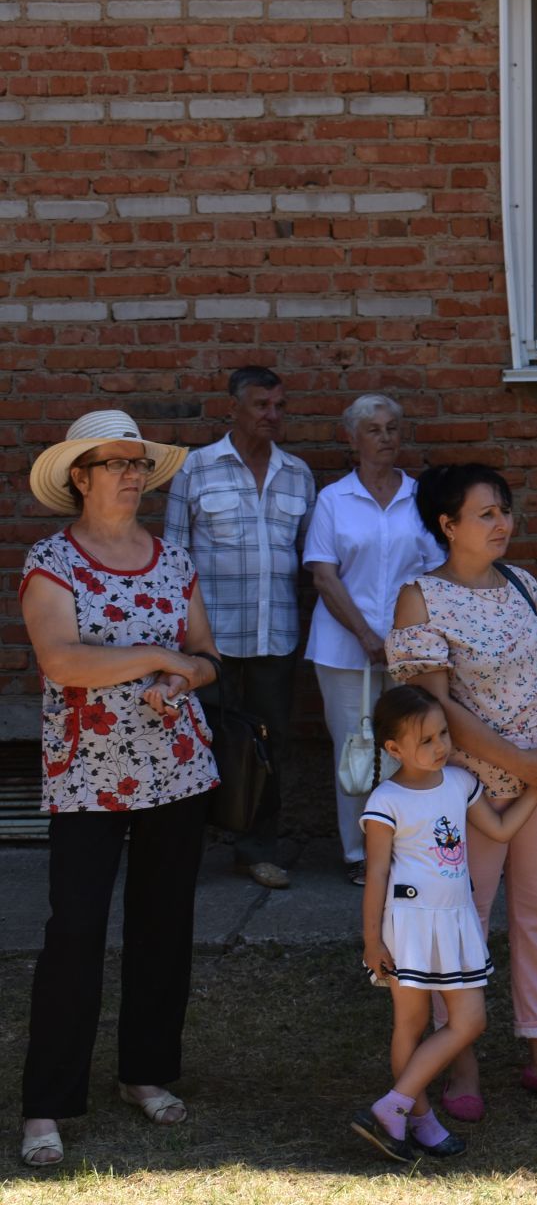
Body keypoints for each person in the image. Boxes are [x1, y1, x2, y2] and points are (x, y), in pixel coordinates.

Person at [17, 410, 221, 1169]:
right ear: (81, 476)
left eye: (139, 464)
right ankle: (46, 1106)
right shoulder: (52, 561)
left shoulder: (171, 559)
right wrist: (154, 658)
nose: (133, 476)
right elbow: (64, 662)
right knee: (74, 936)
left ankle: (146, 1073)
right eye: (116, 464)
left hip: (178, 772)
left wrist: (182, 672)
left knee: (163, 929)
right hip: (86, 779)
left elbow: (206, 657)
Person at [387, 464, 537, 1117]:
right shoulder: (419, 598)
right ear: (447, 526)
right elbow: (432, 710)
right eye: (486, 514)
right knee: (461, 921)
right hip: (463, 791)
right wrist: (518, 764)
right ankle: (460, 1061)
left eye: (505, 510)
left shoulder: (523, 585)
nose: (503, 524)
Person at [352, 686, 537, 1161]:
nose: (440, 746)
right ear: (393, 749)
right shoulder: (386, 800)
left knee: (469, 1020)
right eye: (426, 740)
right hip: (410, 926)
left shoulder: (459, 783)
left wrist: (536, 792)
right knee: (411, 1024)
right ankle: (416, 1119)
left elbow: (500, 829)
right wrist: (371, 939)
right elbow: (376, 873)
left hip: (456, 923)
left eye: (443, 734)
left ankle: (393, 1106)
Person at [163, 366, 314, 890]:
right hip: (211, 641)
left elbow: (305, 558)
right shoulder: (196, 471)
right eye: (260, 405)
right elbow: (176, 560)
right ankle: (187, 848)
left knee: (270, 743)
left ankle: (258, 849)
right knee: (199, 741)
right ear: (234, 407)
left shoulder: (297, 473)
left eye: (278, 405)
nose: (272, 415)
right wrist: (181, 641)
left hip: (275, 635)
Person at [306, 394, 443, 886]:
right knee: (356, 750)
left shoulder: (419, 497)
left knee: (409, 746)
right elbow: (323, 575)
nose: (385, 438)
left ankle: (407, 846)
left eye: (392, 429)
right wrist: (365, 634)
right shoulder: (333, 500)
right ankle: (359, 854)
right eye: (374, 430)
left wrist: (406, 638)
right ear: (352, 438)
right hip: (343, 650)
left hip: (410, 650)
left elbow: (435, 574)